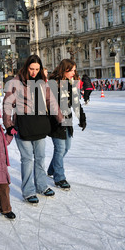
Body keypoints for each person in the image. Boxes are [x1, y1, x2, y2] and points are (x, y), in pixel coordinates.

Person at [3, 54, 63, 204]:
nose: (34, 72)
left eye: (37, 69)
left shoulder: (43, 82)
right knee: (27, 159)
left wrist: (60, 118)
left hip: (39, 123)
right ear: (26, 67)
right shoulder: (15, 82)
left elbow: (51, 101)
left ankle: (41, 186)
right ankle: (28, 191)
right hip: (22, 125)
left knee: (41, 157)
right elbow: (7, 104)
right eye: (31, 69)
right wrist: (8, 125)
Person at [47, 59, 86, 189]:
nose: (74, 73)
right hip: (56, 121)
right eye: (72, 70)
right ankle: (59, 178)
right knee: (59, 149)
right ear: (65, 69)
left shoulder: (70, 84)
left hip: (67, 119)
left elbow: (76, 103)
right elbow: (50, 104)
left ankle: (52, 169)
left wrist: (82, 118)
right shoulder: (52, 84)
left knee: (66, 147)